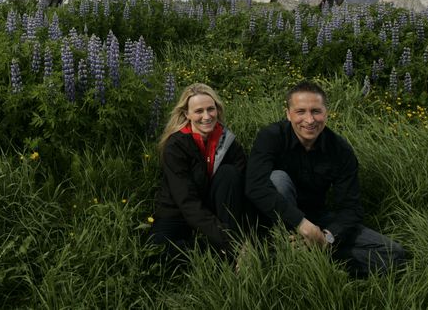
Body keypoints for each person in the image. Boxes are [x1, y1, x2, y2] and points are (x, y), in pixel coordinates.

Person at [245, 80, 406, 276]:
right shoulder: (271, 136)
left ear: (326, 113)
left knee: (394, 254)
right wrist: (301, 224)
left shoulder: (340, 150)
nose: (310, 120)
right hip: (278, 218)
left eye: (316, 111)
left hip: (318, 219)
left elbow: (351, 208)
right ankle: (285, 249)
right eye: (300, 111)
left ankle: (313, 258)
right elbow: (255, 185)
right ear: (288, 114)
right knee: (278, 179)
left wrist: (328, 238)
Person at [150, 83, 248, 262]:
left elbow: (239, 188)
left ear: (217, 110)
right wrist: (227, 241)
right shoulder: (176, 145)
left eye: (211, 109)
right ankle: (229, 248)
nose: (206, 116)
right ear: (187, 114)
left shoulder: (228, 141)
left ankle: (229, 248)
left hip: (216, 208)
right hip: (179, 210)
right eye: (199, 111)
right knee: (157, 252)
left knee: (230, 173)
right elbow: (187, 201)